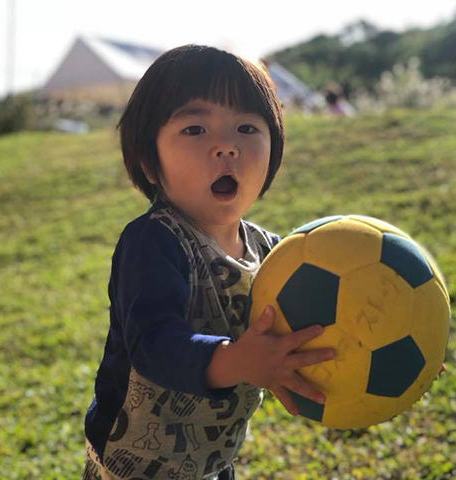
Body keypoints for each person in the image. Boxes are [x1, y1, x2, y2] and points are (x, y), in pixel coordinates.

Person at [83, 45, 335, 480]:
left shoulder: (274, 252)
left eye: (246, 128)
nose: (226, 147)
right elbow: (155, 345)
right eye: (195, 129)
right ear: (148, 162)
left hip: (213, 461)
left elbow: (320, 316)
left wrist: (389, 339)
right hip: (133, 465)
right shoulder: (153, 241)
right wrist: (239, 361)